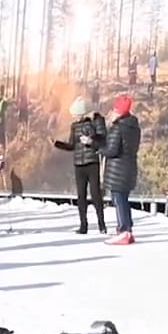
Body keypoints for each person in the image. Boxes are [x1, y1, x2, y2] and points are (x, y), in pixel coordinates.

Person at [52, 96, 108, 234]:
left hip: (92, 162)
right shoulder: (74, 126)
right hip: (79, 164)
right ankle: (83, 225)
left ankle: (102, 224)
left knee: (95, 194)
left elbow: (103, 140)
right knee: (81, 196)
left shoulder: (96, 120)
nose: (74, 117)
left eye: (76, 115)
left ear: (83, 113)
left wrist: (91, 141)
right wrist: (57, 143)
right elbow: (72, 145)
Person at [100, 94, 140, 245]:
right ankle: (127, 230)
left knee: (119, 199)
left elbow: (112, 150)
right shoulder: (134, 127)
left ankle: (123, 230)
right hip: (129, 168)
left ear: (118, 112)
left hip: (118, 170)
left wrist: (98, 149)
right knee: (124, 199)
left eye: (114, 110)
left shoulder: (118, 128)